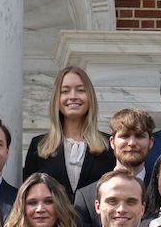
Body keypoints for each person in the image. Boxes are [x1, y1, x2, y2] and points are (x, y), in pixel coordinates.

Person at [25, 64, 113, 198]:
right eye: (65, 91)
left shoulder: (109, 144)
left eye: (80, 90)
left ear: (90, 97)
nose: (73, 96)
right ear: (57, 99)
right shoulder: (38, 145)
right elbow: (29, 195)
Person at [73, 109, 155, 227]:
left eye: (139, 136)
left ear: (150, 142)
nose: (132, 143)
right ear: (112, 142)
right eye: (125, 136)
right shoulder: (86, 197)